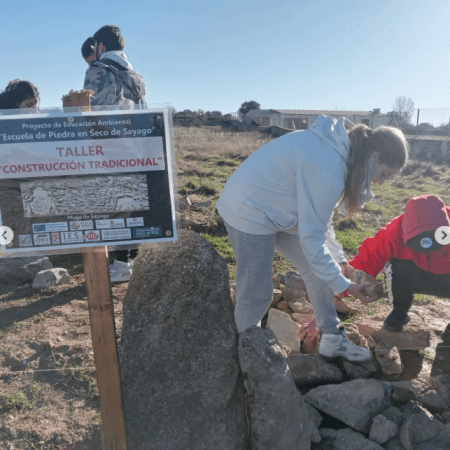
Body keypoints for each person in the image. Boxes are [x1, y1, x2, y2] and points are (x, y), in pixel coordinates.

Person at [216, 116, 408, 362]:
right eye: (385, 174)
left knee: (320, 273)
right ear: (375, 155)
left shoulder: (341, 156)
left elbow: (321, 221)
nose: (380, 182)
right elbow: (312, 239)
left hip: (282, 209)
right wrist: (345, 285)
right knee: (257, 292)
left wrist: (340, 262)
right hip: (249, 207)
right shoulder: (329, 165)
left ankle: (332, 339)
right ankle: (242, 358)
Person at [347, 194, 450, 332]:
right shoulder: (394, 232)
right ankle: (400, 310)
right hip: (415, 277)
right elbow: (365, 262)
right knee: (397, 267)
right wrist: (340, 288)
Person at [83, 25, 146, 107]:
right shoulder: (137, 79)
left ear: (101, 46)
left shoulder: (96, 70)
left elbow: (91, 111)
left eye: (95, 46)